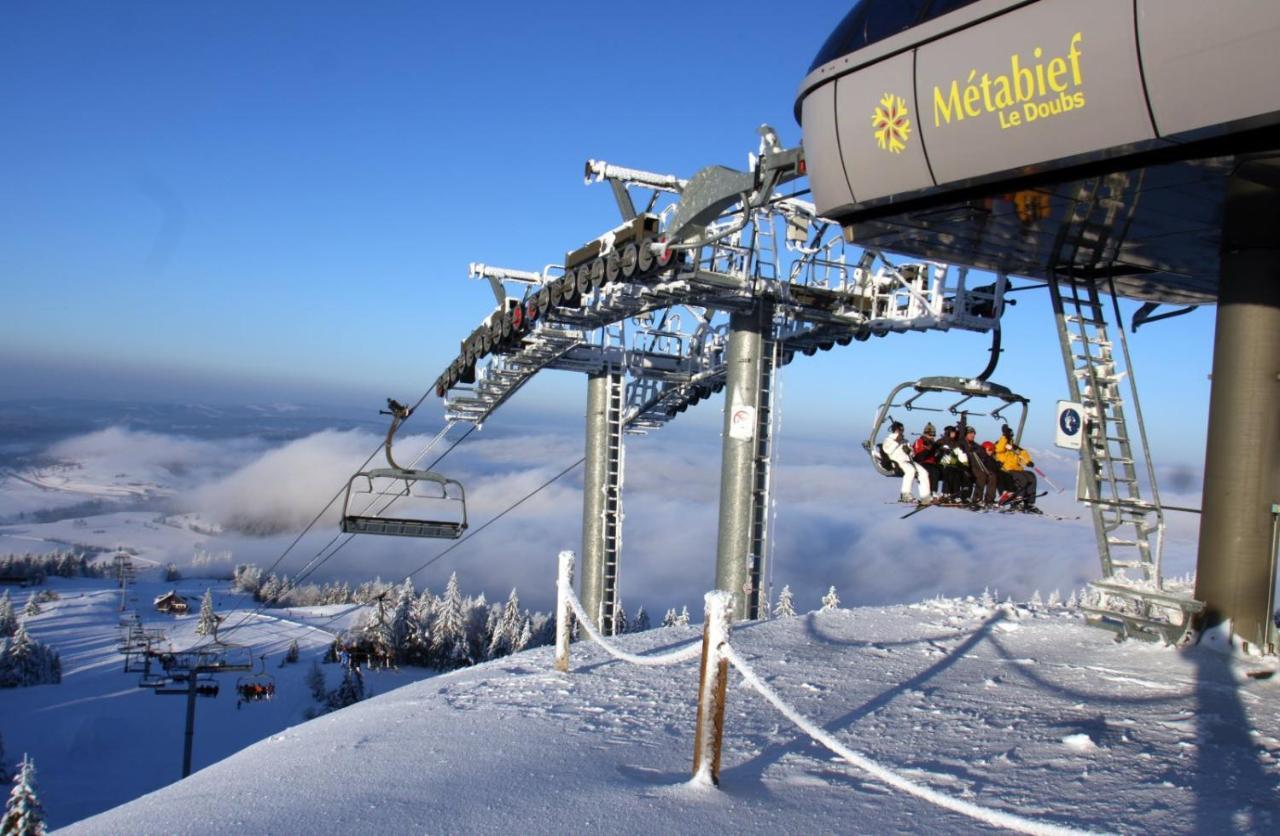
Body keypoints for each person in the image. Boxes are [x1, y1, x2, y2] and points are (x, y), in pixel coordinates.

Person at [882, 421, 931, 504]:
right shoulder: (889, 440)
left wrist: (909, 451)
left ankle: (925, 496)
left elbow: (912, 453)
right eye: (900, 430)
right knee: (910, 471)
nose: (902, 431)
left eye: (902, 430)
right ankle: (905, 494)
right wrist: (896, 442)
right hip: (898, 461)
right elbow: (887, 450)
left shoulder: (905, 440)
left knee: (924, 472)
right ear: (896, 430)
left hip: (909, 460)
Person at [995, 424, 1040, 512]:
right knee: (1022, 479)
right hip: (1006, 469)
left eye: (1011, 436)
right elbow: (999, 449)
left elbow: (1023, 455)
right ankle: (1018, 501)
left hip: (1016, 469)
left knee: (1031, 476)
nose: (1010, 437)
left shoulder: (1014, 448)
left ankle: (1029, 502)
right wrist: (1004, 436)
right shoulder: (1000, 446)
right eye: (1009, 435)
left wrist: (1028, 462)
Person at [960, 425, 999, 509]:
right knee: (981, 476)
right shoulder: (962, 443)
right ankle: (977, 498)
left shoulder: (976, 446)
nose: (972, 435)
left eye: (974, 433)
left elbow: (984, 455)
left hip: (978, 466)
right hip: (968, 466)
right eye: (970, 433)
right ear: (966, 434)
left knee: (992, 476)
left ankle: (989, 500)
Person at [936, 425, 972, 502]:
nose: (954, 434)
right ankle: (946, 492)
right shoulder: (941, 441)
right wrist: (943, 451)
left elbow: (960, 454)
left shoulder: (956, 443)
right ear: (948, 433)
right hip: (943, 464)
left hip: (954, 464)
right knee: (949, 471)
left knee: (957, 473)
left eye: (955, 432)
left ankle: (955, 494)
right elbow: (937, 452)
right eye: (952, 432)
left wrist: (964, 465)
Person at [912, 422, 943, 499]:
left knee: (946, 470)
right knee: (933, 471)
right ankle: (932, 492)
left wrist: (941, 452)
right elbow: (918, 457)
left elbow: (936, 457)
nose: (932, 437)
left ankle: (946, 493)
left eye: (933, 435)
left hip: (932, 463)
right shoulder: (920, 441)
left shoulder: (933, 443)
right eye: (930, 435)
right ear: (926, 434)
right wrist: (928, 449)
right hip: (921, 463)